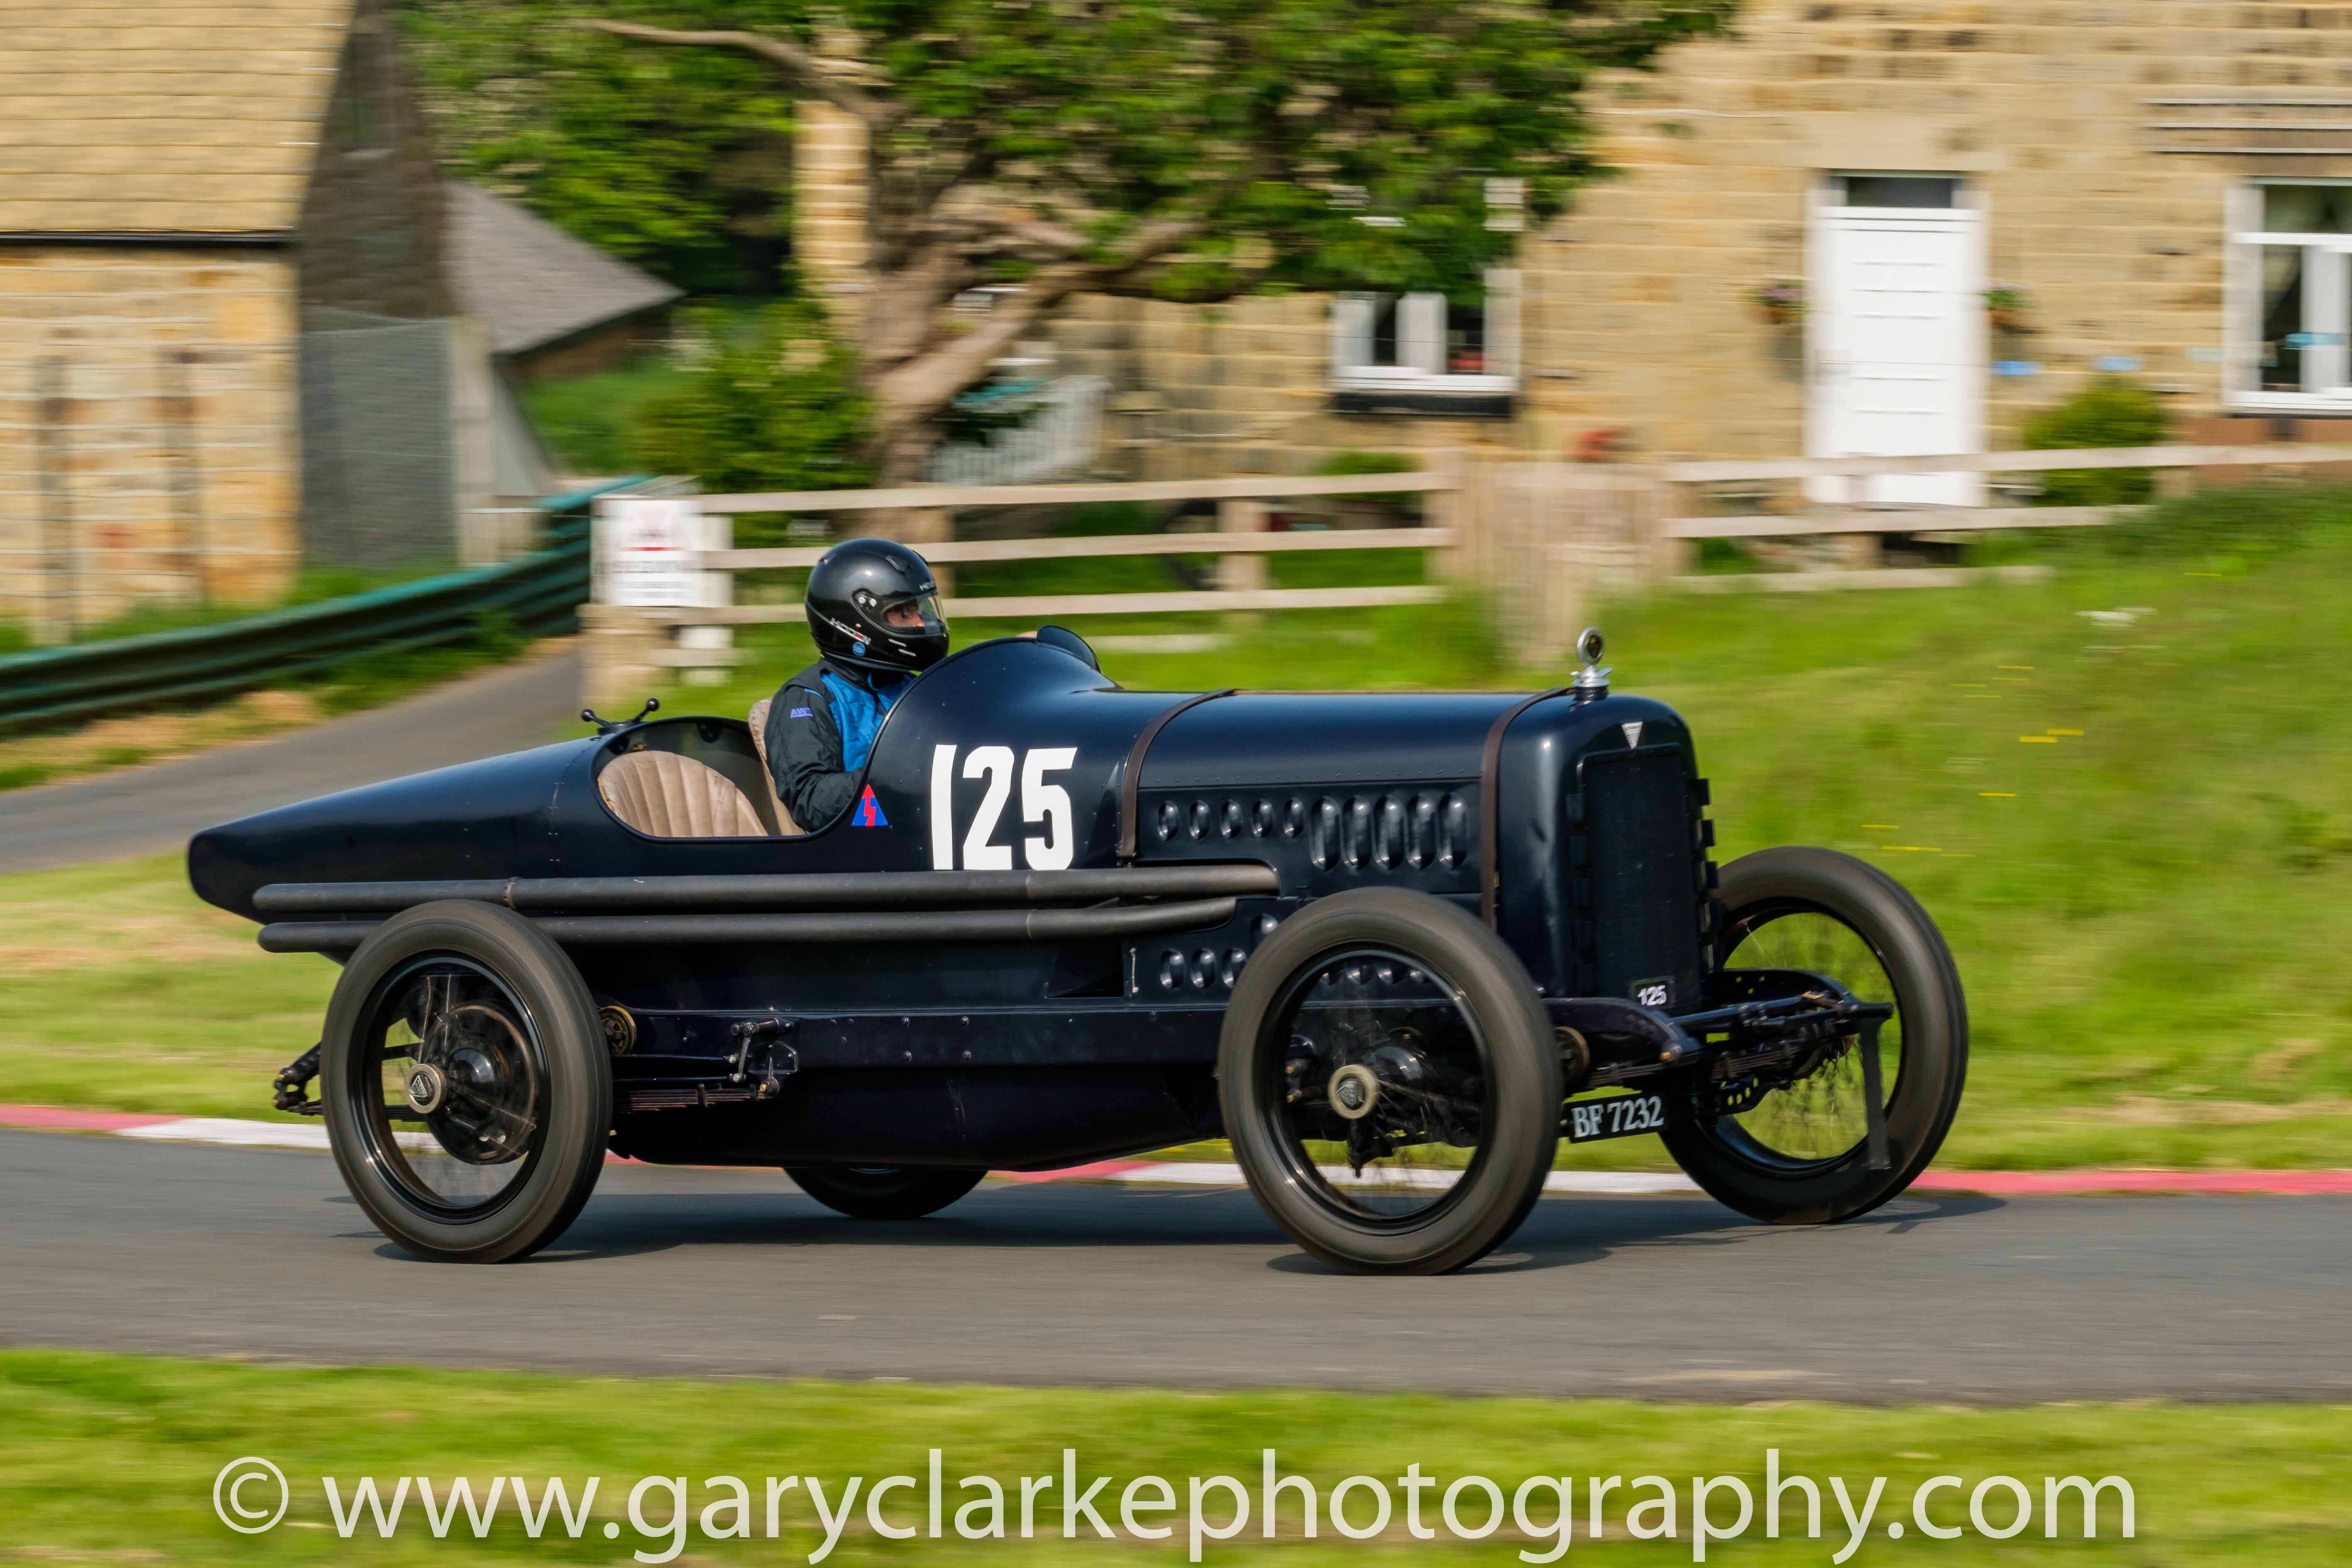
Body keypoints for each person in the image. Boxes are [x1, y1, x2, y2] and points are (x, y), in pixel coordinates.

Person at [763, 538, 949, 830]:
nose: (920, 624)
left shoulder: (914, 688)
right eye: (903, 613)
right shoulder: (808, 697)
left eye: (918, 610)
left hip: (930, 833)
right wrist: (895, 776)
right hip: (860, 860)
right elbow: (810, 800)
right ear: (855, 623)